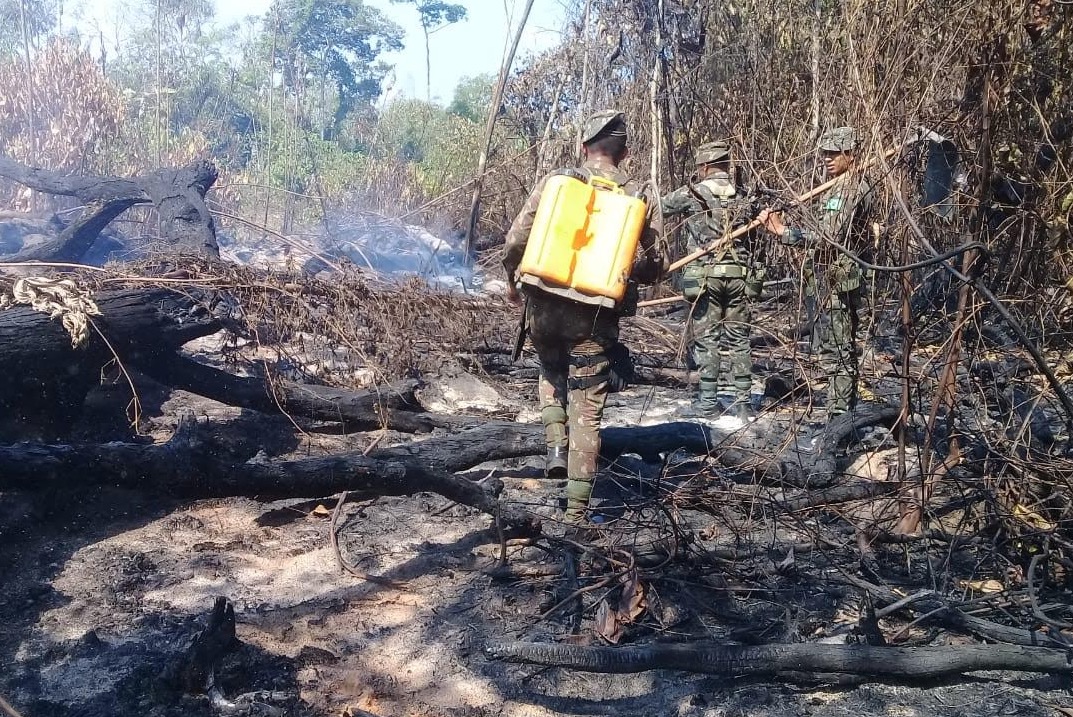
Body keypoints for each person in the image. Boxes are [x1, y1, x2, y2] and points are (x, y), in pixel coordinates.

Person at [502, 109, 666, 524]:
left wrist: (511, 280)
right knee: (588, 409)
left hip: (543, 306)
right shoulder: (637, 195)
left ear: (583, 148)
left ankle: (556, 446)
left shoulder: (558, 183)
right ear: (624, 153)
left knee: (549, 370)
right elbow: (652, 265)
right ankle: (576, 512)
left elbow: (517, 239)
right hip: (594, 316)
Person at [758, 127, 873, 417]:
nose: (827, 159)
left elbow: (828, 237)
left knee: (838, 352)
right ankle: (842, 413)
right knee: (832, 349)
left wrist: (783, 231)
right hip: (829, 279)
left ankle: (840, 417)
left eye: (835, 153)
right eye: (825, 153)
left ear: (850, 154)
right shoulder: (839, 185)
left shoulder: (850, 188)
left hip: (840, 280)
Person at [661, 141, 763, 419]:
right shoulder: (745, 196)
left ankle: (708, 403)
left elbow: (659, 208)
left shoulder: (692, 193)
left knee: (708, 339)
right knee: (739, 338)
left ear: (704, 166)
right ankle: (743, 403)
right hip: (739, 276)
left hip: (706, 278)